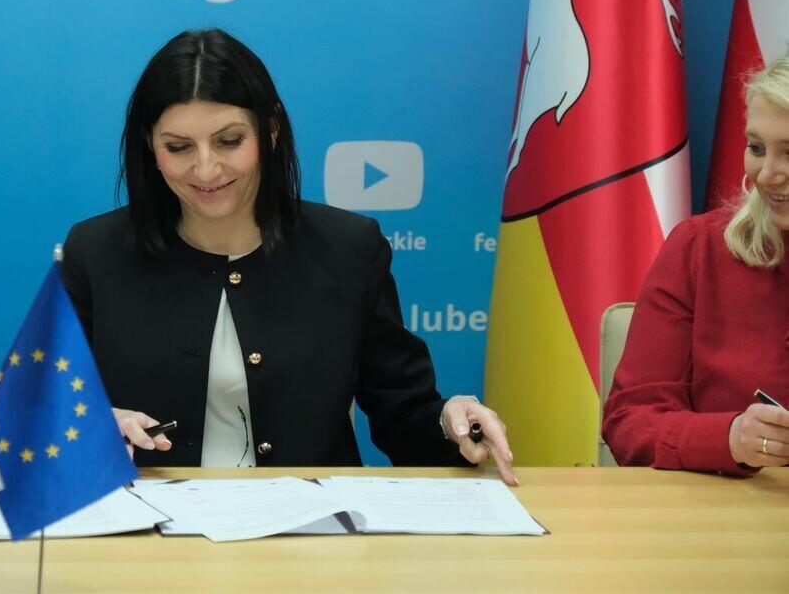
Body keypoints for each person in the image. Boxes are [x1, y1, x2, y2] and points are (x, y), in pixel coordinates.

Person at [60, 28, 516, 482]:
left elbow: (404, 415)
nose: (206, 168)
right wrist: (95, 427)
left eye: (229, 141)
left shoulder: (349, 249)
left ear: (271, 130)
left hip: (315, 521)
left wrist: (452, 423)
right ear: (150, 146)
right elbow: (48, 416)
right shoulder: (95, 253)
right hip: (147, 520)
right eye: (178, 147)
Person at [604, 58, 789, 474]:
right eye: (757, 148)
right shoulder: (700, 249)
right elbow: (630, 421)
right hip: (730, 510)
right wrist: (730, 439)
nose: (767, 175)